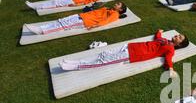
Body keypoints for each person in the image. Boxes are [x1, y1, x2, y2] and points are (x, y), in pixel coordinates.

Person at [59, 29, 188, 78]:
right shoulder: (165, 40)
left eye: (179, 37)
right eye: (178, 34)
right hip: (129, 47)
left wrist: (170, 69)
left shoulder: (170, 49)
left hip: (131, 55)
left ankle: (76, 66)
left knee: (102, 61)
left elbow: (169, 59)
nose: (177, 35)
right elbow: (157, 38)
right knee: (103, 54)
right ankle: (76, 62)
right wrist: (159, 31)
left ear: (179, 45)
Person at [25, 2, 127, 35]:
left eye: (118, 4)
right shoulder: (109, 8)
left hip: (85, 21)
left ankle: (41, 31)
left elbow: (106, 21)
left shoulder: (115, 15)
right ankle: (43, 27)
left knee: (64, 25)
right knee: (62, 20)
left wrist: (95, 26)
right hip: (82, 16)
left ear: (120, 9)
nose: (116, 3)